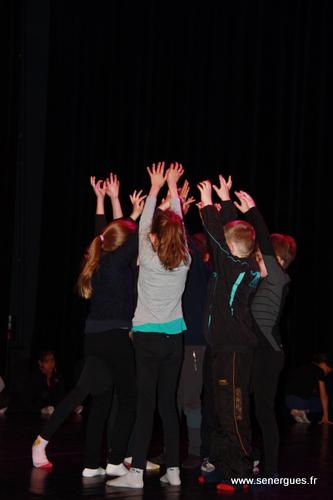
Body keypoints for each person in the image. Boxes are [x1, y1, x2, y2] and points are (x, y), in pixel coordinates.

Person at [32, 177, 145, 477]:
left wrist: (104, 199)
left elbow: (105, 231)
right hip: (114, 337)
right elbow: (130, 233)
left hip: (93, 337)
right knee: (129, 399)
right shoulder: (117, 260)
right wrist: (156, 196)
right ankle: (114, 459)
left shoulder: (101, 256)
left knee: (97, 398)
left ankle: (89, 463)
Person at [107, 162, 191, 489]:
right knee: (168, 405)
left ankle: (137, 474)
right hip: (174, 340)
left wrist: (157, 188)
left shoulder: (147, 253)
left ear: (154, 239)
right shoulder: (185, 260)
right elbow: (178, 224)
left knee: (146, 406)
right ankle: (174, 471)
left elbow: (145, 222)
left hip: (146, 339)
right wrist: (172, 188)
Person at [197, 176, 260, 491]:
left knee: (233, 411)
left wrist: (209, 203)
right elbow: (225, 239)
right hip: (224, 346)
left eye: (225, 243)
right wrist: (224, 202)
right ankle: (223, 466)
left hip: (234, 349)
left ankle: (242, 470)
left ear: (234, 248)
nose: (219, 247)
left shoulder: (237, 267)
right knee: (222, 410)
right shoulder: (238, 264)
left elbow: (215, 239)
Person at [233, 189, 297, 478]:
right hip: (259, 351)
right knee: (245, 409)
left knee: (264, 413)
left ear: (278, 259)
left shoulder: (277, 277)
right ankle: (252, 459)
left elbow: (264, 243)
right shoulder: (266, 281)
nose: (259, 259)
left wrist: (252, 211)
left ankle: (271, 469)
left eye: (263, 255)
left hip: (269, 355)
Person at [285, 353, 333, 424]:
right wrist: (325, 416)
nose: (326, 374)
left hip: (288, 402)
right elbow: (324, 396)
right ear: (324, 363)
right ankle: (301, 410)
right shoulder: (320, 371)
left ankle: (297, 410)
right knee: (324, 404)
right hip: (300, 402)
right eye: (328, 370)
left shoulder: (301, 367)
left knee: (311, 398)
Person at [24, 351, 65, 415]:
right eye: (47, 361)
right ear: (40, 363)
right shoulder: (34, 378)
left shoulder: (57, 377)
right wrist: (41, 410)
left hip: (54, 413)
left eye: (52, 361)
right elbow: (28, 401)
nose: (50, 364)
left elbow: (61, 396)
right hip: (35, 414)